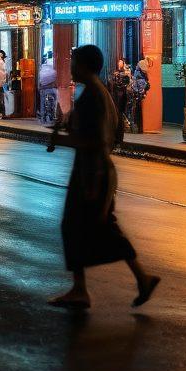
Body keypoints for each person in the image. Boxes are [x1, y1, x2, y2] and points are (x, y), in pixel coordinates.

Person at [47, 45, 159, 310]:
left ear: (85, 66)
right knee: (102, 226)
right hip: (95, 169)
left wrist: (62, 140)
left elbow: (92, 140)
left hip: (92, 171)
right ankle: (140, 279)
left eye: (74, 62)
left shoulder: (94, 96)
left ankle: (81, 289)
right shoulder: (98, 93)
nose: (71, 67)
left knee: (78, 226)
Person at [110, 58, 132, 129]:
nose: (120, 63)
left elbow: (127, 82)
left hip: (123, 92)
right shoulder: (116, 72)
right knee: (118, 107)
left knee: (122, 108)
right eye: (119, 62)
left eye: (121, 62)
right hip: (117, 92)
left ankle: (125, 123)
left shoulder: (126, 72)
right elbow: (113, 81)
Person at [38, 53, 58, 127]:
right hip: (53, 89)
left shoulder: (43, 67)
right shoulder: (54, 67)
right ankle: (54, 117)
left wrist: (42, 86)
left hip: (44, 89)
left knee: (42, 103)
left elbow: (41, 81)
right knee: (55, 102)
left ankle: (43, 118)